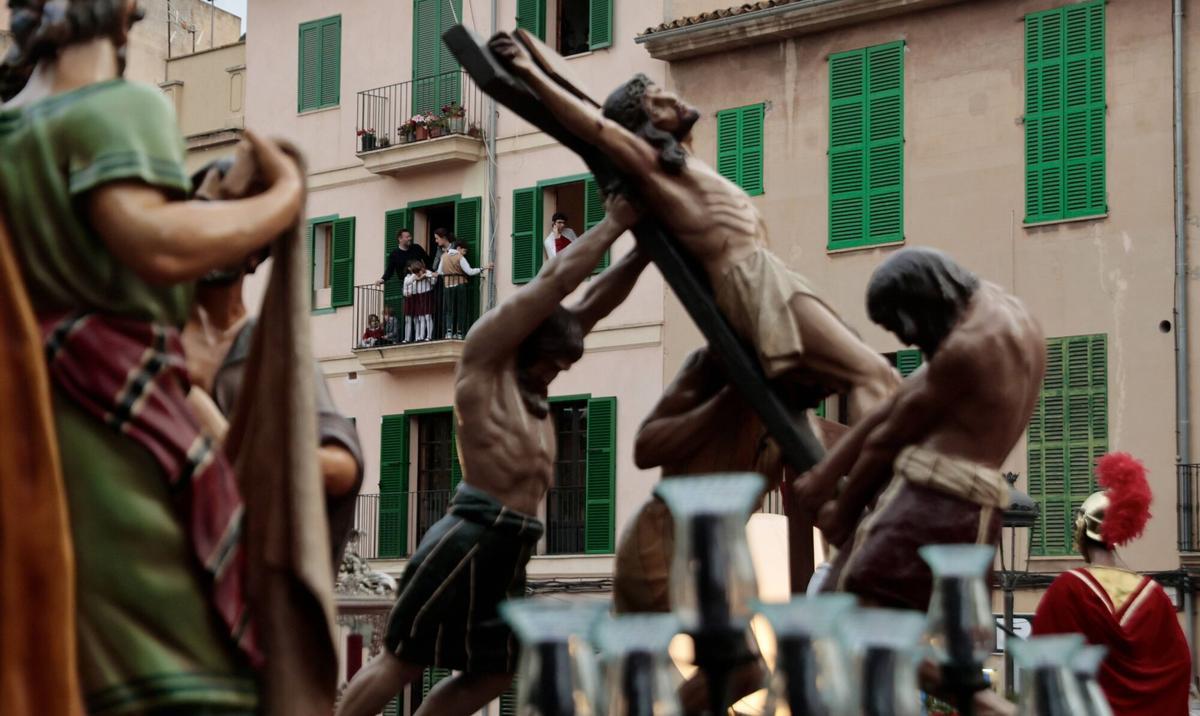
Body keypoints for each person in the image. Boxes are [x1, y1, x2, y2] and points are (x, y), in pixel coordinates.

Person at [0, 1, 305, 712]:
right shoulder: (120, 107)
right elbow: (157, 241)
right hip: (112, 427)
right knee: (188, 671)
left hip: (23, 423)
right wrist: (282, 200)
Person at [336, 196, 649, 716]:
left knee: (495, 671)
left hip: (513, 547)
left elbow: (594, 303)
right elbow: (557, 284)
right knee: (403, 658)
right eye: (549, 364)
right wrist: (617, 220)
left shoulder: (535, 384)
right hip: (470, 532)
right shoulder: (485, 360)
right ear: (525, 344)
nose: (554, 374)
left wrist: (648, 250)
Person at [489, 35, 899, 427]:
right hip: (752, 281)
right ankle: (895, 486)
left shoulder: (685, 164)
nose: (671, 96)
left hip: (770, 276)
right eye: (655, 100)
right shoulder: (654, 169)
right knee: (870, 374)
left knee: (875, 374)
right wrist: (527, 69)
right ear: (646, 127)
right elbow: (595, 129)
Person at [794, 248, 1045, 613]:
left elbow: (889, 439)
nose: (909, 340)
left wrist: (841, 512)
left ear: (919, 303)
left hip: (929, 505)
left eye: (900, 327)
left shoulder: (963, 349)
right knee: (943, 637)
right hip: (980, 513)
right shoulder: (1009, 320)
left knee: (846, 607)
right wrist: (826, 474)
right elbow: (900, 400)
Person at [181, 155, 365, 570]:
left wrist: (247, 451)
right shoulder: (155, 339)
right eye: (201, 220)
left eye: (229, 225)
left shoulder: (273, 352)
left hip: (242, 566)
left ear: (255, 253)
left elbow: (341, 468)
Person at [1033, 453, 1191, 715]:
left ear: (1081, 531)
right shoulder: (1155, 595)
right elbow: (1179, 666)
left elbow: (1045, 662)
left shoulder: (1069, 589)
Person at [439, 239, 487, 339]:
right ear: (458, 248)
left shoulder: (443, 256)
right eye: (464, 251)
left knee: (450, 310)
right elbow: (469, 271)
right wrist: (483, 268)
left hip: (447, 286)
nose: (465, 254)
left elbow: (440, 272)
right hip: (460, 285)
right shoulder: (459, 257)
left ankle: (449, 332)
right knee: (460, 309)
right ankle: (459, 332)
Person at [402, 258, 436, 342]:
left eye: (418, 272)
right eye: (415, 272)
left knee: (427, 316)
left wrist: (426, 276)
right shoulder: (414, 275)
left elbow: (433, 282)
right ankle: (421, 336)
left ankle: (429, 336)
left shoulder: (428, 272)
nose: (417, 274)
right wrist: (416, 278)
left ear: (421, 269)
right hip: (419, 296)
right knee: (421, 317)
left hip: (427, 294)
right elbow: (407, 282)